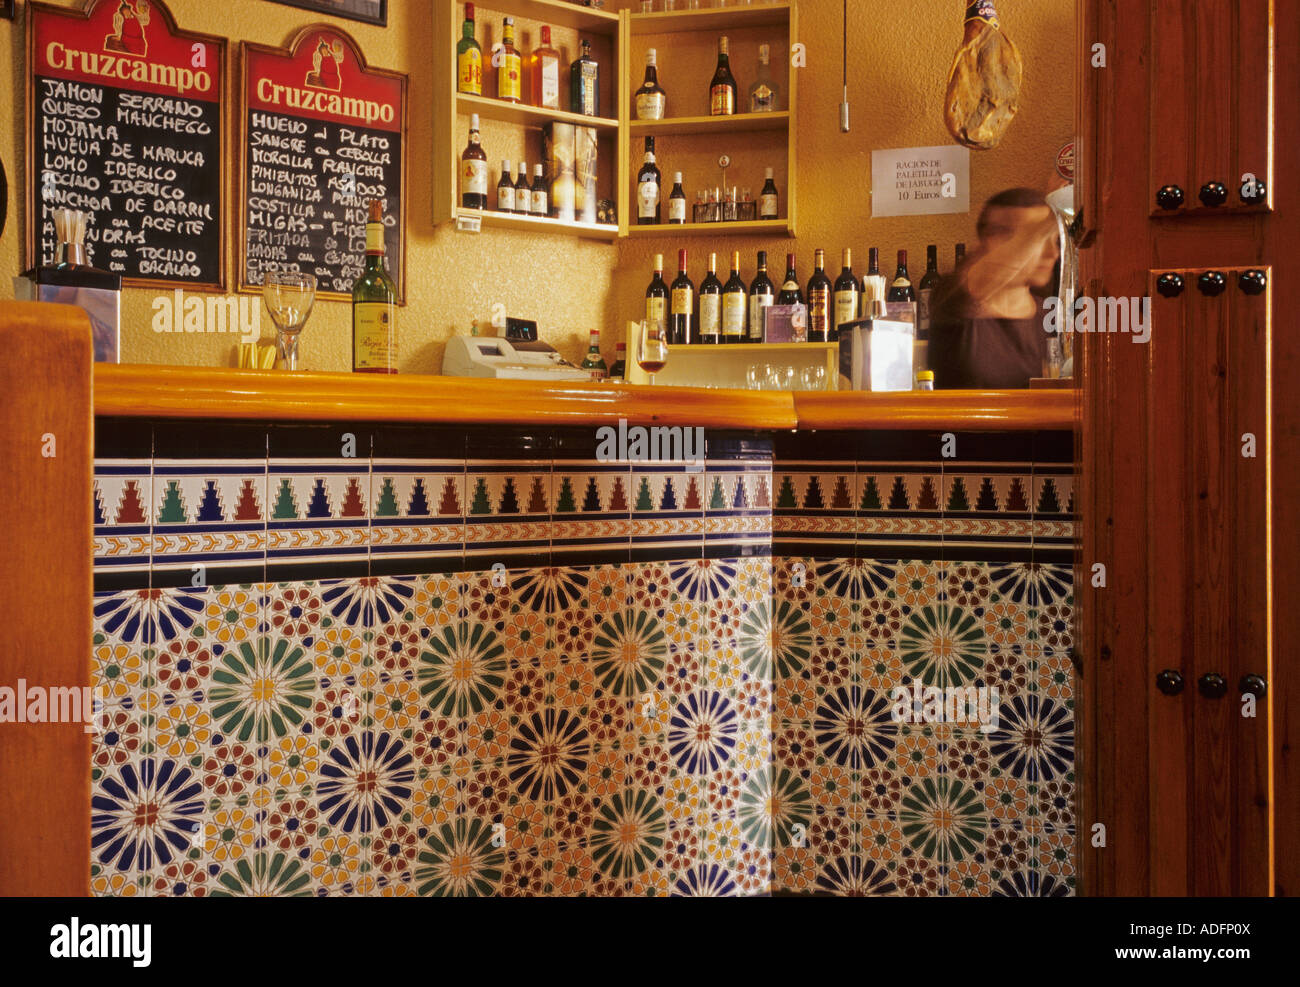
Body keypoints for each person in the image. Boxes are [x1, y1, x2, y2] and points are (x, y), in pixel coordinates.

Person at [929, 187, 1060, 389]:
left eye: (1054, 241)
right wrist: (1056, 208)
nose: (1053, 253)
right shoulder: (954, 296)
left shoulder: (1050, 315)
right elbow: (989, 277)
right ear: (992, 240)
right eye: (1037, 239)